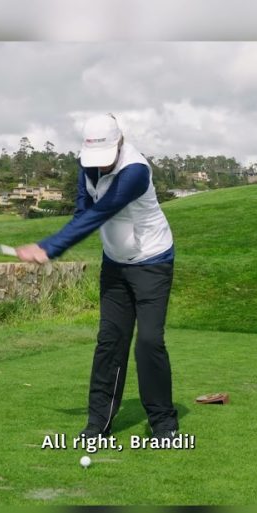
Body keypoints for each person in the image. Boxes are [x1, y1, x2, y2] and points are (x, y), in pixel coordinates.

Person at [16, 113, 179, 440]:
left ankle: (163, 423)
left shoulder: (135, 171)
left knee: (148, 342)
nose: (101, 167)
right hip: (115, 265)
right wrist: (55, 246)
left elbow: (100, 212)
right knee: (109, 342)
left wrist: (49, 247)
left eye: (106, 159)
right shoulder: (87, 165)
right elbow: (82, 212)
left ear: (119, 143)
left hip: (152, 261)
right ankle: (98, 423)